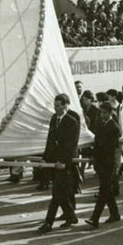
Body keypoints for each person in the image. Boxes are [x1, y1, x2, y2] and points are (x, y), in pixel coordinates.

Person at [38, 94, 81, 234]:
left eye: (58, 106)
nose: (55, 109)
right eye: (55, 106)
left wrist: (63, 162)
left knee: (56, 194)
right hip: (54, 162)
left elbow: (71, 145)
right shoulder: (54, 119)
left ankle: (48, 223)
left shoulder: (71, 121)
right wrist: (45, 158)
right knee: (61, 192)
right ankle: (72, 216)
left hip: (64, 162)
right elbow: (50, 140)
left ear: (65, 105)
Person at [85, 102, 121, 229]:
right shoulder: (100, 124)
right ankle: (115, 213)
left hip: (109, 163)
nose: (102, 115)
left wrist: (98, 151)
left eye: (105, 113)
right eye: (101, 113)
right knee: (107, 190)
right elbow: (96, 142)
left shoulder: (114, 127)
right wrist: (93, 155)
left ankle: (95, 218)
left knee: (103, 191)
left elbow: (110, 147)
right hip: (100, 162)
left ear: (110, 113)